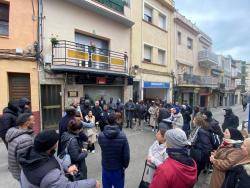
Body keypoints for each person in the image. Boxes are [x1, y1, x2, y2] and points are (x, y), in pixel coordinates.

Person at [18, 130, 99, 188]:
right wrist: (93, 183)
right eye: (56, 142)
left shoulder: (33, 154)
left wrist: (67, 168)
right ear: (50, 146)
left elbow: (53, 159)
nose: (57, 143)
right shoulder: (50, 175)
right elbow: (67, 186)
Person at [98, 113, 130, 188]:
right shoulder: (122, 135)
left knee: (106, 186)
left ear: (108, 121)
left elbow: (102, 147)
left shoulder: (101, 135)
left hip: (106, 166)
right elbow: (126, 155)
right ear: (116, 121)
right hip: (118, 167)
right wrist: (125, 166)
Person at [5, 113, 34, 181]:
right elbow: (25, 162)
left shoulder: (14, 133)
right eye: (33, 120)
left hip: (16, 171)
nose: (34, 122)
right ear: (27, 123)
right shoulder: (25, 139)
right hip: (24, 174)